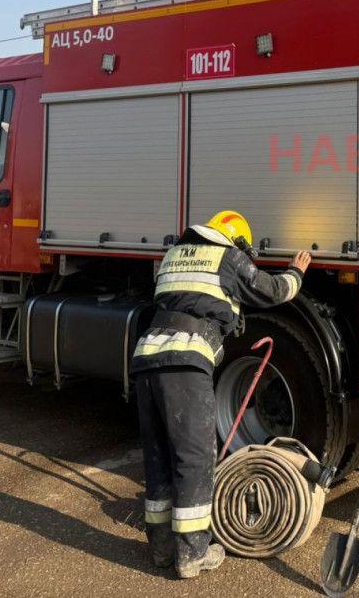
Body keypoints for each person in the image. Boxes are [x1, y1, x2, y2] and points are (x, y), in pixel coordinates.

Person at [130, 210, 311, 578]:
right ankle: (193, 553)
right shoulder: (227, 257)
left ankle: (162, 549)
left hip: (147, 359)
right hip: (186, 360)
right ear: (236, 241)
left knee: (158, 453)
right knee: (194, 457)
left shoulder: (174, 255)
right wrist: (296, 272)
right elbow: (271, 290)